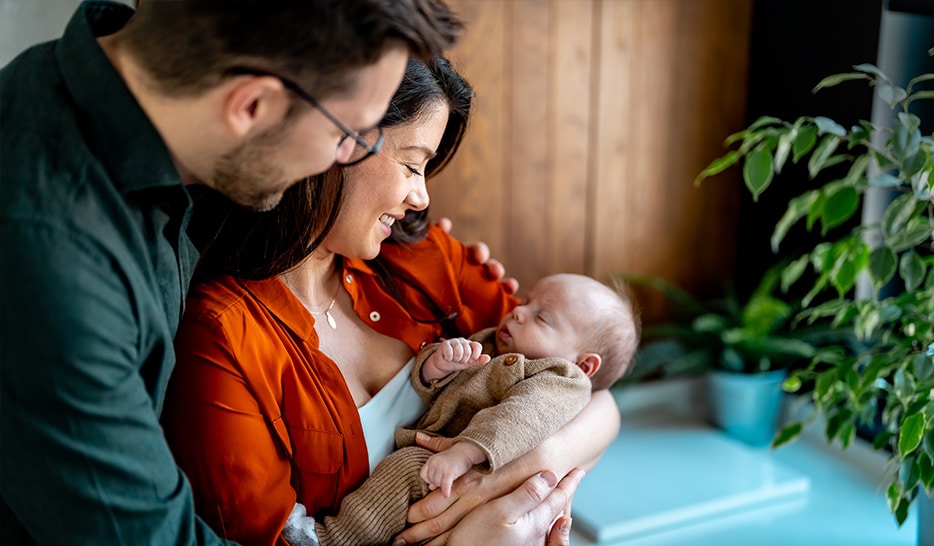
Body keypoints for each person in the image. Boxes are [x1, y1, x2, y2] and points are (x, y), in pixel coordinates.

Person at [0, 1, 463, 544]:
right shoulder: (57, 263)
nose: (339, 161)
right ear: (251, 106)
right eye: (352, 136)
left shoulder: (155, 111)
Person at [164, 57, 621, 546]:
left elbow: (594, 392)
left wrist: (517, 471)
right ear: (335, 141)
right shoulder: (222, 338)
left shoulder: (420, 256)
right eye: (411, 164)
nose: (421, 197)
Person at [299, 273, 639, 546]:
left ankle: (329, 539)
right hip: (451, 463)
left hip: (475, 463)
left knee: (403, 473)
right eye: (525, 301)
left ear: (585, 364)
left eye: (543, 317)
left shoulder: (560, 378)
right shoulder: (494, 342)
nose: (518, 311)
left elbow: (520, 418)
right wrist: (436, 367)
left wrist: (463, 453)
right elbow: (433, 393)